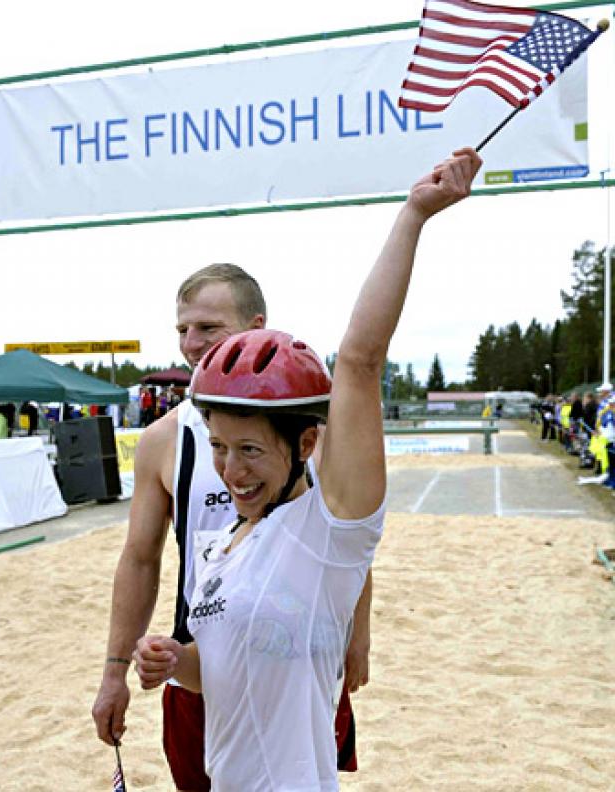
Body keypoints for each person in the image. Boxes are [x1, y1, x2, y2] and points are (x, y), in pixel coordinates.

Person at [133, 148, 481, 789]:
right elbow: (219, 671)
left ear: (304, 445)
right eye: (218, 447)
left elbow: (359, 360)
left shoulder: (330, 532)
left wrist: (413, 217)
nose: (231, 471)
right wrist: (171, 659)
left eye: (251, 451)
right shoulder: (218, 546)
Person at [92, 264, 372, 790]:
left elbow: (349, 537)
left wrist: (359, 633)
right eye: (182, 330)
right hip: (201, 652)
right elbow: (140, 557)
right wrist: (114, 674)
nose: (192, 344)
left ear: (257, 325)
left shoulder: (308, 427)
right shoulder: (163, 439)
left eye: (208, 328)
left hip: (294, 647)